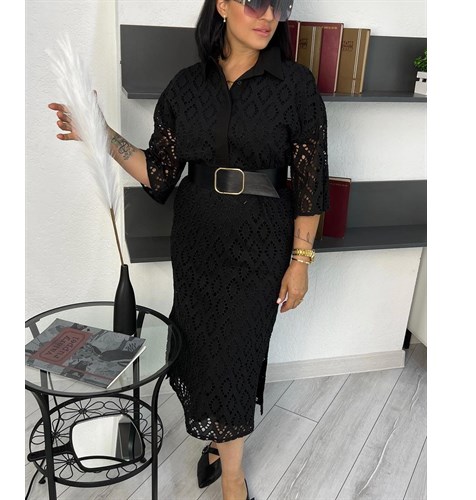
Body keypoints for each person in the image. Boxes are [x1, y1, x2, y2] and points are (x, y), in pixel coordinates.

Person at [48, 1, 329, 498]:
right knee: (200, 349)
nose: (268, 15)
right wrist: (100, 131)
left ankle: (233, 476)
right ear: (222, 5)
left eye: (280, 4)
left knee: (238, 353)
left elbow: (311, 183)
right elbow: (159, 174)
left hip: (260, 242)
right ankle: (220, 440)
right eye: (255, 2)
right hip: (197, 241)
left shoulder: (295, 85)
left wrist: (300, 261)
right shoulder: (185, 86)